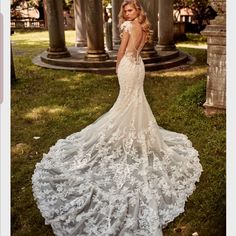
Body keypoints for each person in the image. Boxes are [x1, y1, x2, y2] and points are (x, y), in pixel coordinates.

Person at [32, 0, 203, 235]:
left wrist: (117, 66)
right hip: (139, 66)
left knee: (126, 102)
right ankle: (133, 134)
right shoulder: (144, 27)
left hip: (127, 66)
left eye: (130, 10)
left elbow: (122, 51)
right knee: (133, 101)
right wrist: (130, 60)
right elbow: (139, 49)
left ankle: (125, 134)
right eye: (124, 10)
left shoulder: (128, 27)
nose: (126, 13)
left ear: (137, 11)